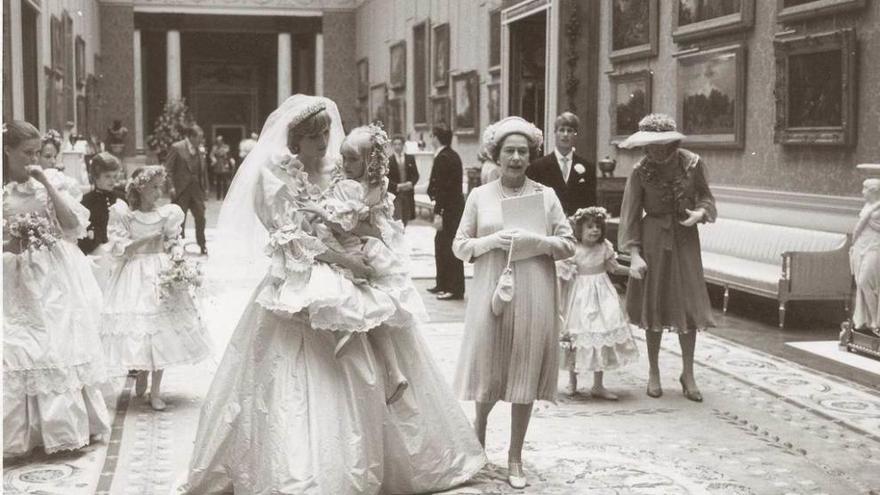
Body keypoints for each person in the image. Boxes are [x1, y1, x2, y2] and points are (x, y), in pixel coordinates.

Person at [179, 95, 485, 494]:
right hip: (301, 276)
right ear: (295, 140)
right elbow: (290, 239)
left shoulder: (341, 169)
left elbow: (366, 211)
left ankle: (394, 438)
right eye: (313, 136)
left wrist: (366, 238)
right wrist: (346, 261)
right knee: (296, 373)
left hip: (349, 270)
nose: (323, 142)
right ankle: (307, 466)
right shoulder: (276, 175)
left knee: (379, 333)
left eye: (325, 133)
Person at [453, 116, 576, 489]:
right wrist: (493, 241)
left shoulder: (546, 196)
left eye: (523, 151)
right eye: (510, 151)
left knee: (524, 369)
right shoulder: (479, 196)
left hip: (535, 289)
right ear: (497, 154)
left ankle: (515, 456)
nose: (517, 158)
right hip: (492, 289)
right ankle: (479, 435)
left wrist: (537, 242)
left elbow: (568, 244)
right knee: (490, 368)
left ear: (530, 155)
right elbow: (460, 246)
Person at [3, 120, 111, 456]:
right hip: (14, 277)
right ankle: (20, 437)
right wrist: (12, 242)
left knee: (55, 344)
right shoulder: (3, 194)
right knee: (16, 346)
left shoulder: (52, 184)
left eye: (38, 152)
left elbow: (72, 225)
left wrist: (46, 183)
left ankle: (63, 430)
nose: (34, 159)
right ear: (7, 151)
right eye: (27, 153)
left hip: (52, 279)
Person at [617, 113, 716, 402]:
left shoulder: (692, 164)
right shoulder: (640, 171)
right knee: (655, 304)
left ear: (672, 142)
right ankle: (654, 371)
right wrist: (634, 255)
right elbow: (630, 216)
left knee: (688, 305)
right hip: (653, 241)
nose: (656, 151)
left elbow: (707, 198)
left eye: (661, 144)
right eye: (650, 145)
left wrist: (700, 213)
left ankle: (688, 372)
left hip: (685, 240)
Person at [100, 166, 211, 411]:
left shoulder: (168, 214)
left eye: (160, 187)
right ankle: (141, 370)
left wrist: (178, 258)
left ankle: (156, 390)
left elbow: (173, 241)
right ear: (140, 189)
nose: (159, 192)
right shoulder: (126, 216)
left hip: (161, 272)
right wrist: (148, 239)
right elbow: (122, 249)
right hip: (135, 274)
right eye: (153, 187)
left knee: (162, 330)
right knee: (142, 328)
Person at [556, 207, 639, 399]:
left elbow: (614, 268)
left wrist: (632, 270)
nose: (595, 231)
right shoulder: (573, 250)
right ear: (579, 229)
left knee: (602, 332)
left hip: (602, 294)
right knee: (577, 336)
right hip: (580, 295)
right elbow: (563, 274)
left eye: (598, 227)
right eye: (590, 227)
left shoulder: (604, 247)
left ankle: (598, 384)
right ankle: (572, 381)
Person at [527, 112, 596, 216]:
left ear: (576, 134)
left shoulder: (588, 168)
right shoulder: (538, 167)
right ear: (555, 133)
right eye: (561, 130)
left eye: (570, 131)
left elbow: (590, 205)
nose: (565, 134)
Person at [427, 125, 465, 300]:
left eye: (432, 136)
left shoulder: (443, 158)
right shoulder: (452, 155)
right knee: (442, 245)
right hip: (453, 209)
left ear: (436, 138)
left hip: (448, 210)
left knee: (448, 247)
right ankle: (442, 283)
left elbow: (443, 188)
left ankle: (453, 288)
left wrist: (439, 212)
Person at [165, 124, 208, 255]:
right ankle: (178, 246)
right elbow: (168, 170)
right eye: (199, 138)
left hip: (196, 191)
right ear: (190, 137)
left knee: (201, 217)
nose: (201, 141)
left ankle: (202, 244)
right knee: (179, 220)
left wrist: (205, 188)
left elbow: (203, 171)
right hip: (181, 190)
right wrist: (171, 187)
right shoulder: (177, 148)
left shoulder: (200, 150)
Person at [79, 152, 125, 255]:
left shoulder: (121, 197)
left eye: (114, 176)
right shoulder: (87, 201)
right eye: (107, 176)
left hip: (121, 248)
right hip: (98, 250)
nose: (112, 181)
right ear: (95, 177)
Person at [850, 178, 880, 332]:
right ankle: (868, 321)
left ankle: (875, 321)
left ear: (873, 191)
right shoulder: (869, 205)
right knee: (861, 283)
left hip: (875, 247)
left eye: (865, 189)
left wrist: (868, 218)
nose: (862, 192)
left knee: (864, 281)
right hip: (861, 245)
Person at [387, 133, 419, 226]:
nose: (397, 147)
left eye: (399, 144)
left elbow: (416, 175)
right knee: (397, 218)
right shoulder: (389, 160)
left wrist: (411, 183)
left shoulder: (410, 158)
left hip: (408, 193)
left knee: (406, 217)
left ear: (403, 145)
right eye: (395, 144)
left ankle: (403, 234)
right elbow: (387, 178)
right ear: (392, 146)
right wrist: (397, 186)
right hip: (396, 194)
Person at [209, 135, 234, 200]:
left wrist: (230, 161)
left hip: (224, 164)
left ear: (222, 141)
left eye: (220, 141)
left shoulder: (226, 147)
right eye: (217, 141)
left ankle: (225, 196)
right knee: (218, 181)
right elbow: (211, 155)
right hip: (217, 164)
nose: (218, 142)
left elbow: (229, 155)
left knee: (225, 181)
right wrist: (213, 159)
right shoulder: (214, 147)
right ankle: (218, 196)